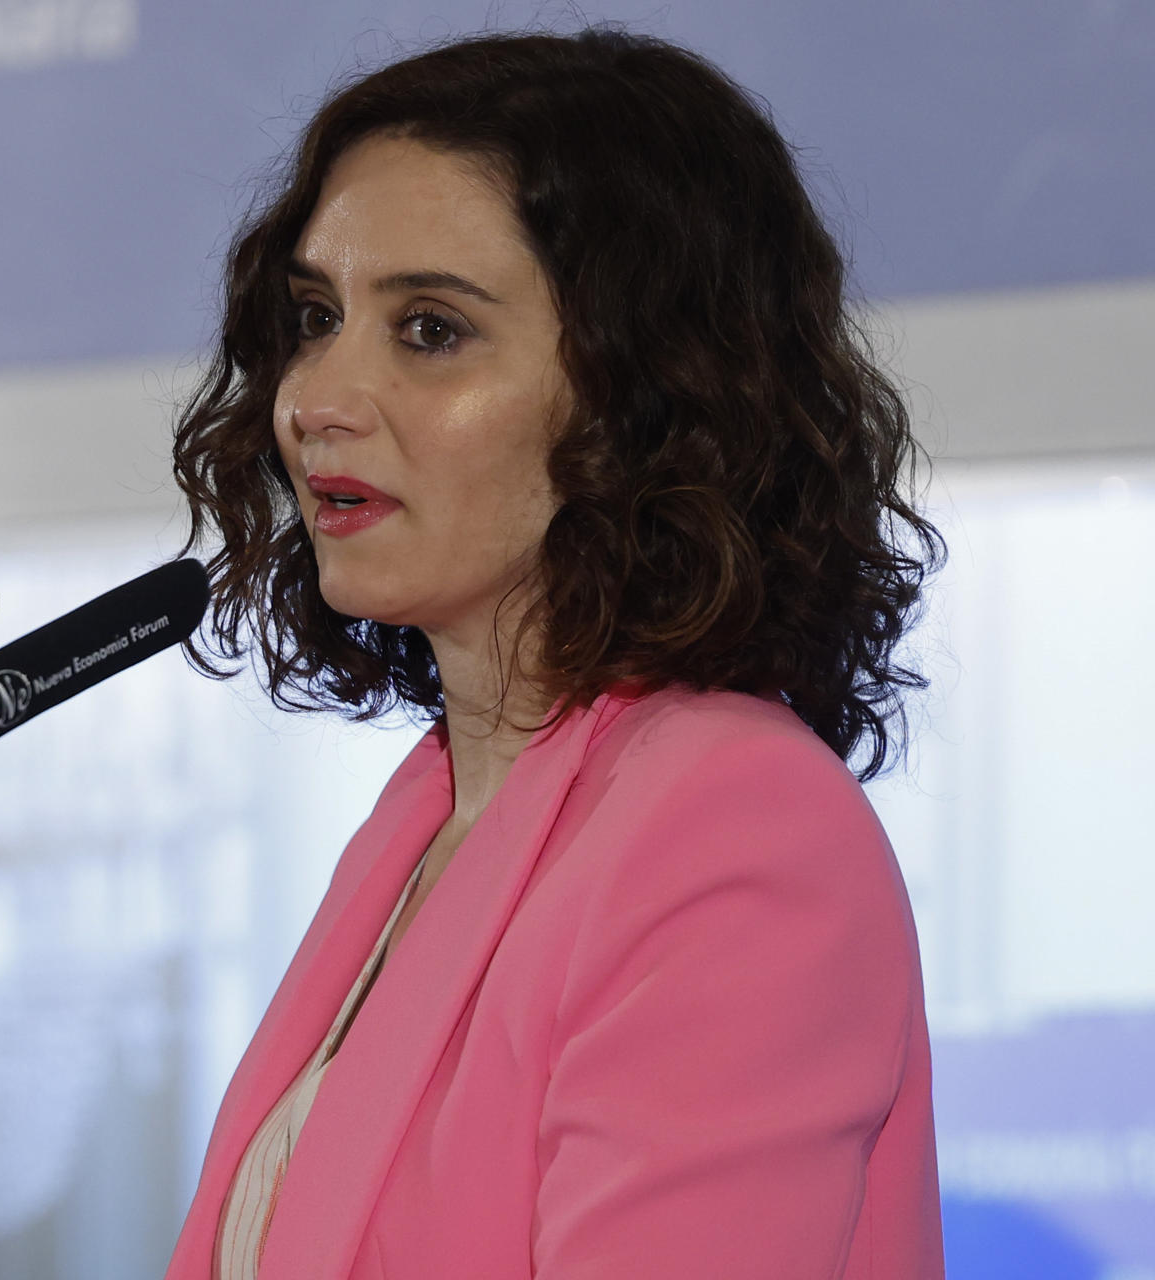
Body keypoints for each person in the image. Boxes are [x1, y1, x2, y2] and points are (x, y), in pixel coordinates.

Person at [166, 27, 947, 1280]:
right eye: (316, 317)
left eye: (429, 330)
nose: (316, 396)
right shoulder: (436, 811)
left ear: (643, 396)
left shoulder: (731, 827)